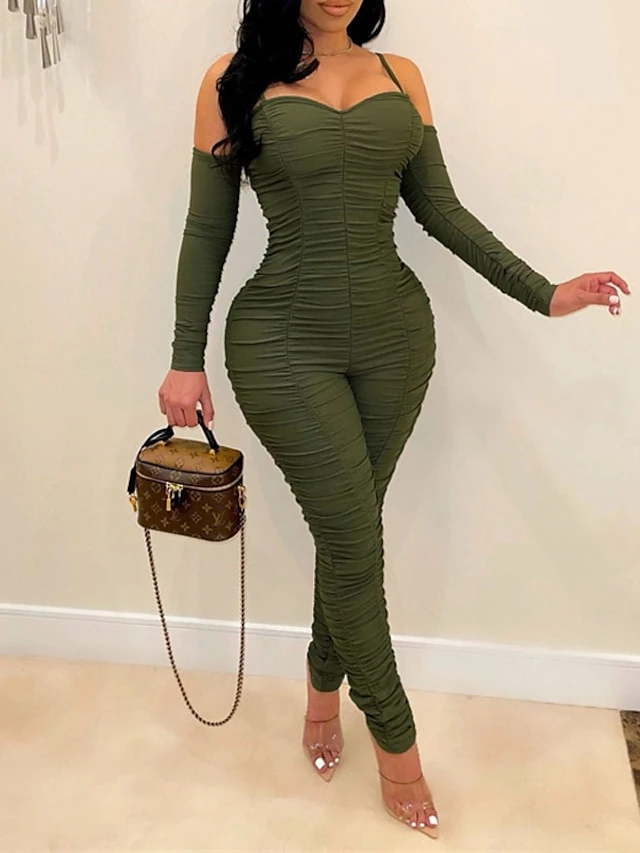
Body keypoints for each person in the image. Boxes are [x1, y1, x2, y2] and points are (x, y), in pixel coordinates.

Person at [158, 0, 629, 839]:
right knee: (353, 539)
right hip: (280, 343)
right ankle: (399, 750)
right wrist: (183, 356)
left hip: (396, 342)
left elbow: (440, 210)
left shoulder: (400, 76)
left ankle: (319, 691)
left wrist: (546, 292)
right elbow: (206, 226)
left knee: (350, 535)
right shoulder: (231, 82)